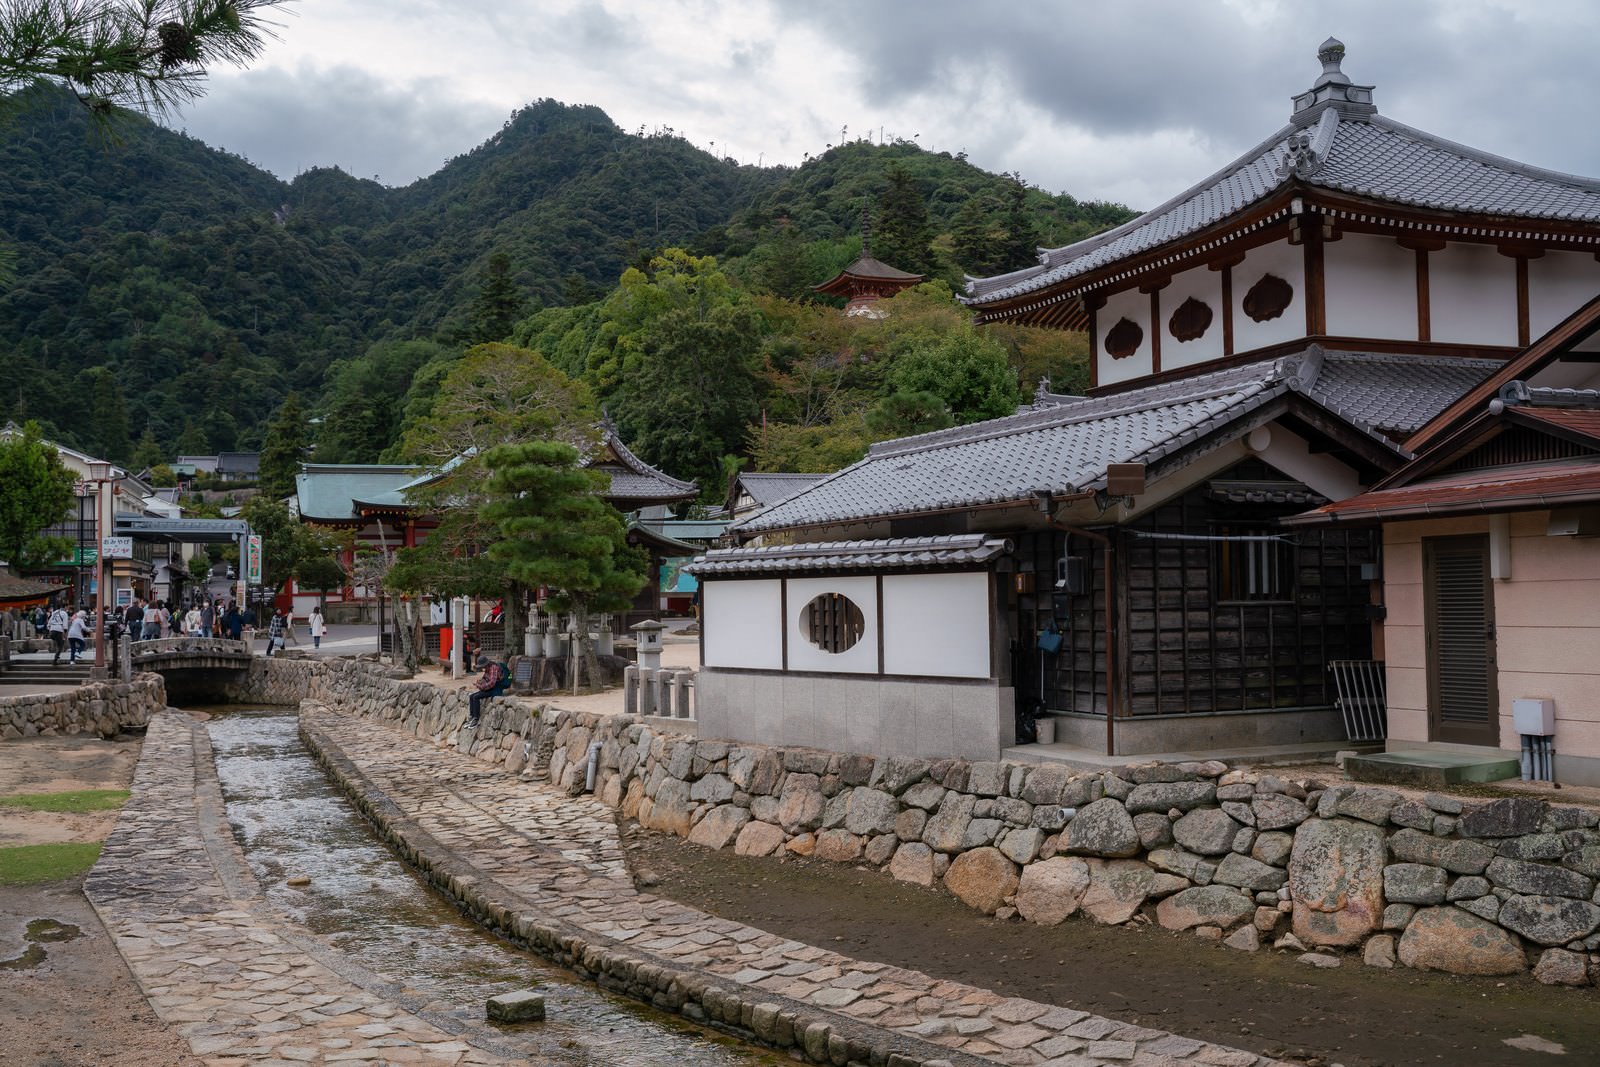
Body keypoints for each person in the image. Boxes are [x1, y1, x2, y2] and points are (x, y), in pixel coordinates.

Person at [465, 658, 509, 729]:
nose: (482, 668)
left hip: (495, 688)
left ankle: (476, 719)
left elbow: (492, 683)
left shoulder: (493, 668)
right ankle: (472, 717)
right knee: (471, 696)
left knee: (476, 697)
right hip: (489, 688)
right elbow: (485, 678)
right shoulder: (487, 668)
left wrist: (481, 686)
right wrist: (480, 682)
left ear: (485, 664)